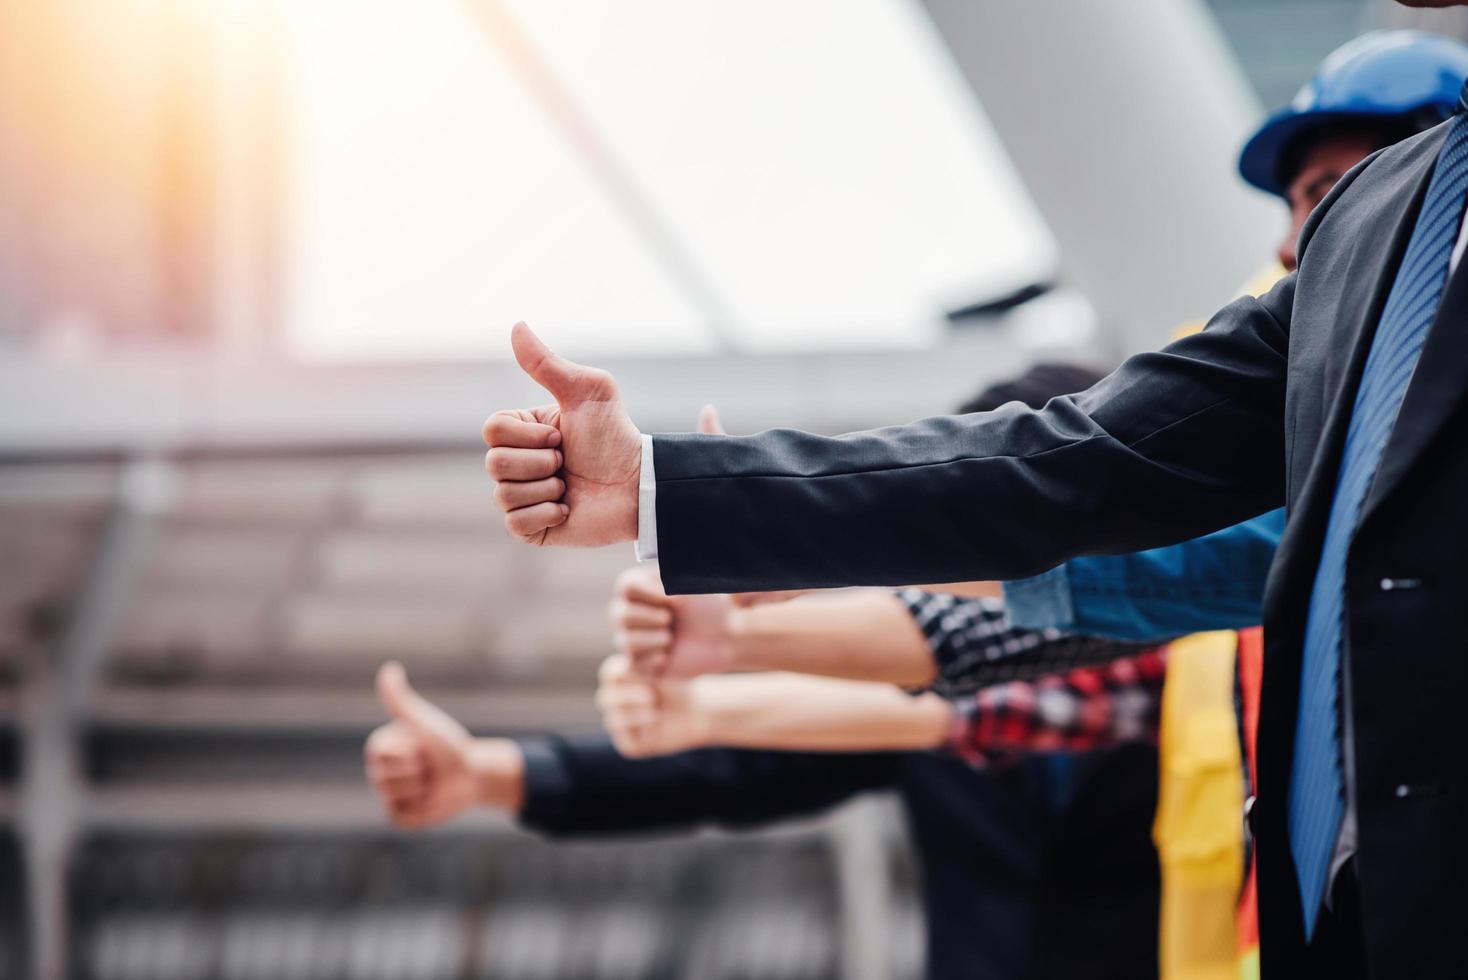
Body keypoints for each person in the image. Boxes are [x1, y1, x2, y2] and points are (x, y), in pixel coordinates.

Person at [480, 9, 1468, 970]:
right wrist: (674, 494)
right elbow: (1074, 478)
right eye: (1303, 204)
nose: (1299, 238)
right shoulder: (1365, 261)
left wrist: (744, 631)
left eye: (1331, 190)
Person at [374, 369, 1172, 979]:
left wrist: (747, 638)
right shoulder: (908, 679)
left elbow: (964, 710)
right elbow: (727, 770)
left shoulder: (1194, 655)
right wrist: (491, 772)